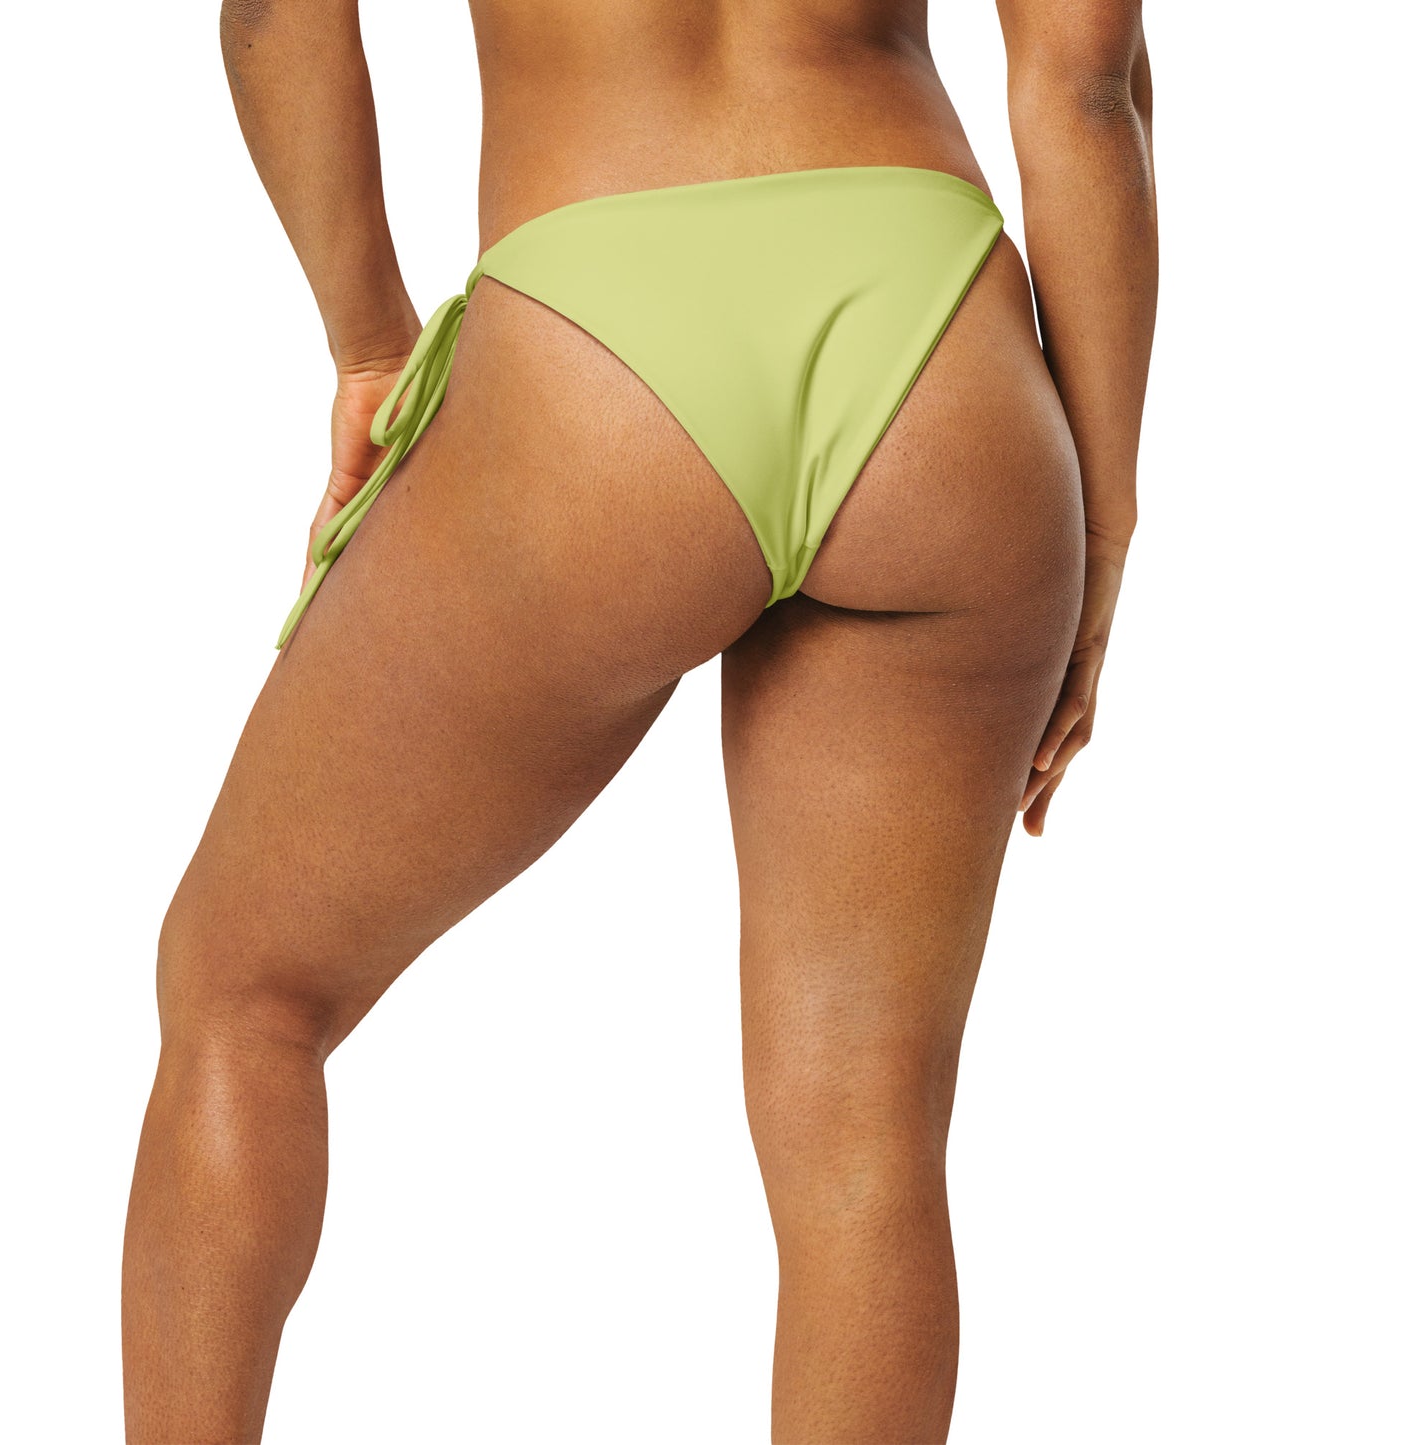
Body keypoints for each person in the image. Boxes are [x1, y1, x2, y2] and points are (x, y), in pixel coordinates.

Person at [122, 0, 1156, 1438]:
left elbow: (277, 16)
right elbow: (1085, 80)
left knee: (244, 994)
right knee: (861, 1135)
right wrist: (1099, 522)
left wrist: (369, 344)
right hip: (935, 345)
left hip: (602, 315)